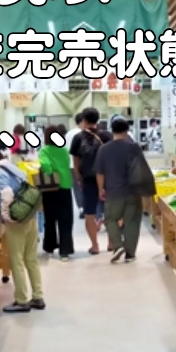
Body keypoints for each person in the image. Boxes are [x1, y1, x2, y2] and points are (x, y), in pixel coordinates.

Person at [0, 147, 44, 313]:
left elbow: (6, 192)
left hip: (17, 221)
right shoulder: (11, 166)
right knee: (31, 259)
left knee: (16, 260)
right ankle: (38, 296)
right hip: (30, 215)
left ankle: (22, 300)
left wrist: (5, 216)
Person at [94, 117, 144, 263]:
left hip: (113, 191)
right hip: (133, 192)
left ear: (112, 130)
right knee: (132, 221)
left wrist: (101, 189)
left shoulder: (104, 149)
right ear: (127, 130)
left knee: (110, 219)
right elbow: (141, 170)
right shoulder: (134, 147)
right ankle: (130, 254)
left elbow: (100, 172)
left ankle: (117, 245)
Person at [69, 107, 104, 255]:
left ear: (83, 120)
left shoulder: (78, 137)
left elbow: (75, 159)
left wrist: (78, 175)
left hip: (88, 179)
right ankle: (111, 243)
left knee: (89, 213)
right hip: (106, 178)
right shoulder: (105, 135)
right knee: (110, 210)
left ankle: (95, 245)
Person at [38, 124, 74, 262]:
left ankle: (50, 246)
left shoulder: (44, 150)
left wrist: (50, 173)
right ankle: (65, 251)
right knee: (66, 219)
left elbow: (45, 165)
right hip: (65, 185)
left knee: (50, 218)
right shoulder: (64, 150)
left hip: (51, 188)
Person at [65, 112, 85, 216]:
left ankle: (81, 208)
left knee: (76, 186)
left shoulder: (68, 134)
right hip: (82, 164)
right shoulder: (83, 133)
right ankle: (88, 206)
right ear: (82, 122)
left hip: (71, 165)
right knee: (86, 185)